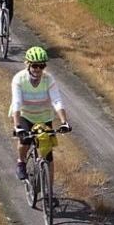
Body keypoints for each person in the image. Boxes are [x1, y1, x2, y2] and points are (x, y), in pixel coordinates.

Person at [8, 46, 69, 181]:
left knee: (48, 156)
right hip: (25, 115)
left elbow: (57, 100)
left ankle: (50, 194)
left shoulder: (49, 80)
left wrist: (64, 122)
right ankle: (21, 162)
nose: (38, 69)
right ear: (28, 65)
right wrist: (17, 126)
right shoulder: (19, 79)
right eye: (35, 66)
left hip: (44, 116)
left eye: (41, 66)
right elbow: (17, 103)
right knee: (25, 140)